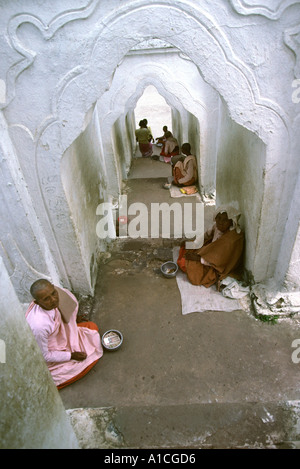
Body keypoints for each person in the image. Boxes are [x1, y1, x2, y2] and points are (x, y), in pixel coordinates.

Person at [25, 279, 103, 389]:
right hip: (49, 353)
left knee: (92, 327)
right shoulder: (39, 325)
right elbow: (45, 355)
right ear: (37, 303)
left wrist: (73, 320)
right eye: (46, 299)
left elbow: (65, 308)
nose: (54, 300)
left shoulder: (54, 296)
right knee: (87, 360)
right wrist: (71, 355)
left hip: (60, 338)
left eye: (53, 293)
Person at [177, 206, 244, 288]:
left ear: (231, 222)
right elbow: (206, 235)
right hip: (211, 252)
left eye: (225, 220)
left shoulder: (230, 239)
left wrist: (199, 258)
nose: (220, 222)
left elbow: (221, 260)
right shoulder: (217, 227)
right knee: (187, 247)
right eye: (218, 218)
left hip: (217, 264)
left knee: (192, 268)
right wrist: (194, 243)